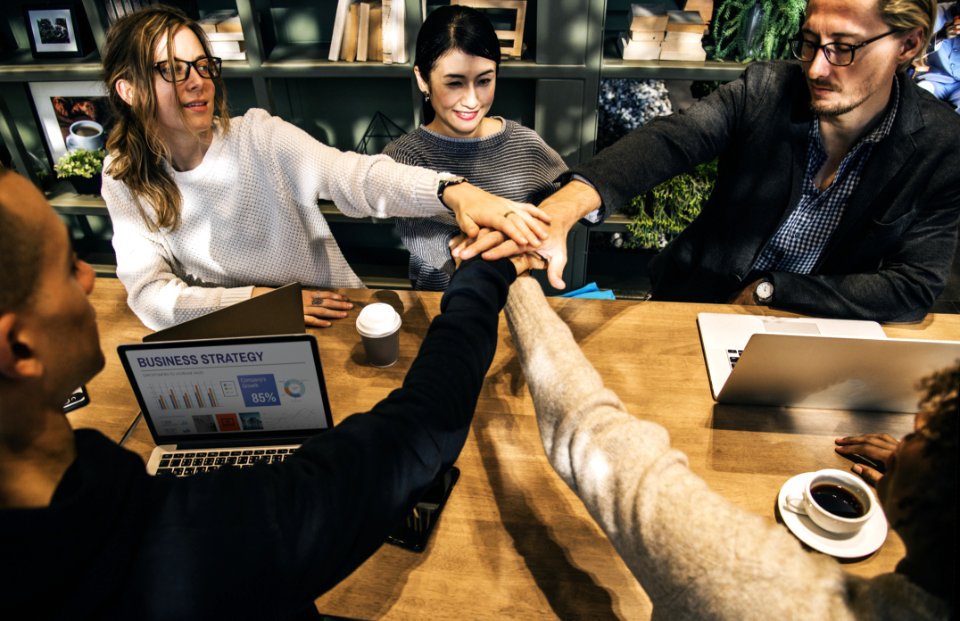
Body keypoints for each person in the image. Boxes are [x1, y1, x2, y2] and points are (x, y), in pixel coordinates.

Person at [0, 166, 540, 618]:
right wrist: (480, 278)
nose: (89, 277)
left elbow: (348, 172)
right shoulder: (194, 547)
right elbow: (422, 427)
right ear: (19, 350)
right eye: (65, 267)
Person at [463, 0, 960, 323]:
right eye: (810, 42)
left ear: (909, 44)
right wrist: (561, 211)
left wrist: (771, 291)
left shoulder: (941, 144)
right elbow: (671, 141)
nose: (816, 67)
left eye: (844, 49)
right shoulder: (767, 88)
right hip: (694, 308)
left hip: (819, 333)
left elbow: (914, 286)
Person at [504, 273, 956, 618]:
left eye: (931, 434)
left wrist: (516, 283)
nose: (915, 421)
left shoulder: (759, 592)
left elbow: (595, 439)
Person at [99, 4, 549, 330]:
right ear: (129, 90)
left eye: (202, 64)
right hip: (240, 330)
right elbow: (151, 298)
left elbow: (352, 176)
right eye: (173, 70)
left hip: (332, 314)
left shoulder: (259, 135)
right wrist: (261, 304)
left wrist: (451, 190)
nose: (198, 81)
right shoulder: (123, 176)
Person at [383, 5, 567, 290]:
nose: (471, 100)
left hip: (516, 306)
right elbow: (423, 233)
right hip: (437, 308)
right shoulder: (404, 157)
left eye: (484, 81)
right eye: (455, 83)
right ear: (422, 79)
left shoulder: (526, 144)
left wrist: (540, 242)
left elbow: (566, 204)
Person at [915, 1, 960, 113]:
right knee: (916, 98)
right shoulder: (935, 14)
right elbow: (913, 54)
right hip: (936, 77)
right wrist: (940, 36)